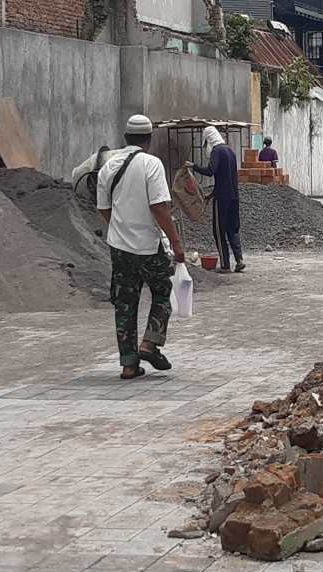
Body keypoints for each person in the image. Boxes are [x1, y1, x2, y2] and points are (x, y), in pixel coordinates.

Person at [96, 114, 185, 381]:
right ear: (149, 139)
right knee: (163, 291)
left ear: (126, 137)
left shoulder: (108, 166)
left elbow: (103, 208)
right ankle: (150, 343)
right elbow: (159, 207)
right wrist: (176, 243)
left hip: (119, 248)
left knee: (124, 303)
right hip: (147, 246)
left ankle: (128, 365)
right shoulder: (151, 164)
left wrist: (120, 228)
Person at [193, 126, 245, 274]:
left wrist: (193, 166)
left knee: (219, 231)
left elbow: (211, 171)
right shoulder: (230, 151)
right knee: (232, 228)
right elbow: (226, 178)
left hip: (222, 199)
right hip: (234, 196)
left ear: (209, 139)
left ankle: (225, 265)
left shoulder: (217, 151)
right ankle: (239, 260)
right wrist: (211, 195)